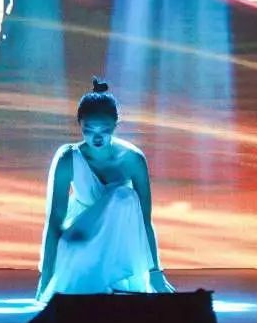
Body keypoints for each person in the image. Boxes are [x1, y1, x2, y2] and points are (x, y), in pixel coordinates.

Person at [36, 77, 174, 302]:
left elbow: (144, 221)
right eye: (89, 130)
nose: (97, 137)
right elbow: (54, 221)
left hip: (119, 246)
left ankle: (116, 282)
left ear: (116, 125)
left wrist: (155, 272)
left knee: (124, 197)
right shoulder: (68, 158)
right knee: (122, 196)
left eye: (105, 130)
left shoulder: (133, 159)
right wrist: (46, 276)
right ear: (80, 124)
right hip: (81, 241)